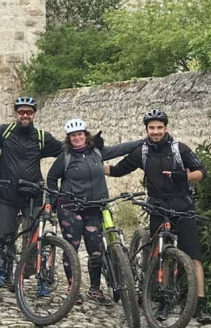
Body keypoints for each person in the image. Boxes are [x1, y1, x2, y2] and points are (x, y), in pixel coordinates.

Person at [106, 109, 211, 325]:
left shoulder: (178, 149)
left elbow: (202, 172)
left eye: (159, 127)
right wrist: (90, 164)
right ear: (146, 130)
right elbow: (118, 170)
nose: (156, 132)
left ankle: (201, 305)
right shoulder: (142, 152)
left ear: (166, 128)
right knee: (161, 253)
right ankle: (165, 298)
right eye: (152, 128)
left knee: (193, 257)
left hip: (183, 206)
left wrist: (183, 176)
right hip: (157, 207)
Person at [46, 118, 141, 305]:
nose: (77, 138)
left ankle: (95, 290)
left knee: (96, 251)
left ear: (85, 135)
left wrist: (143, 141)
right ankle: (73, 289)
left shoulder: (97, 153)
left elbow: (122, 148)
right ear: (68, 138)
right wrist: (54, 201)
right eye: (73, 136)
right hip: (70, 209)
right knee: (71, 248)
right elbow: (51, 177)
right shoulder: (64, 157)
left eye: (80, 134)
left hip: (94, 208)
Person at [0, 96, 63, 290]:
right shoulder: (4, 131)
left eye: (29, 112)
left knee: (37, 238)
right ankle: (4, 271)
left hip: (33, 194)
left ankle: (40, 277)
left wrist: (90, 145)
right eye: (21, 112)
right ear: (16, 113)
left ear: (34, 114)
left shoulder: (41, 137)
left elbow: (66, 150)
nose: (25, 115)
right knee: (5, 235)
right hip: (7, 193)